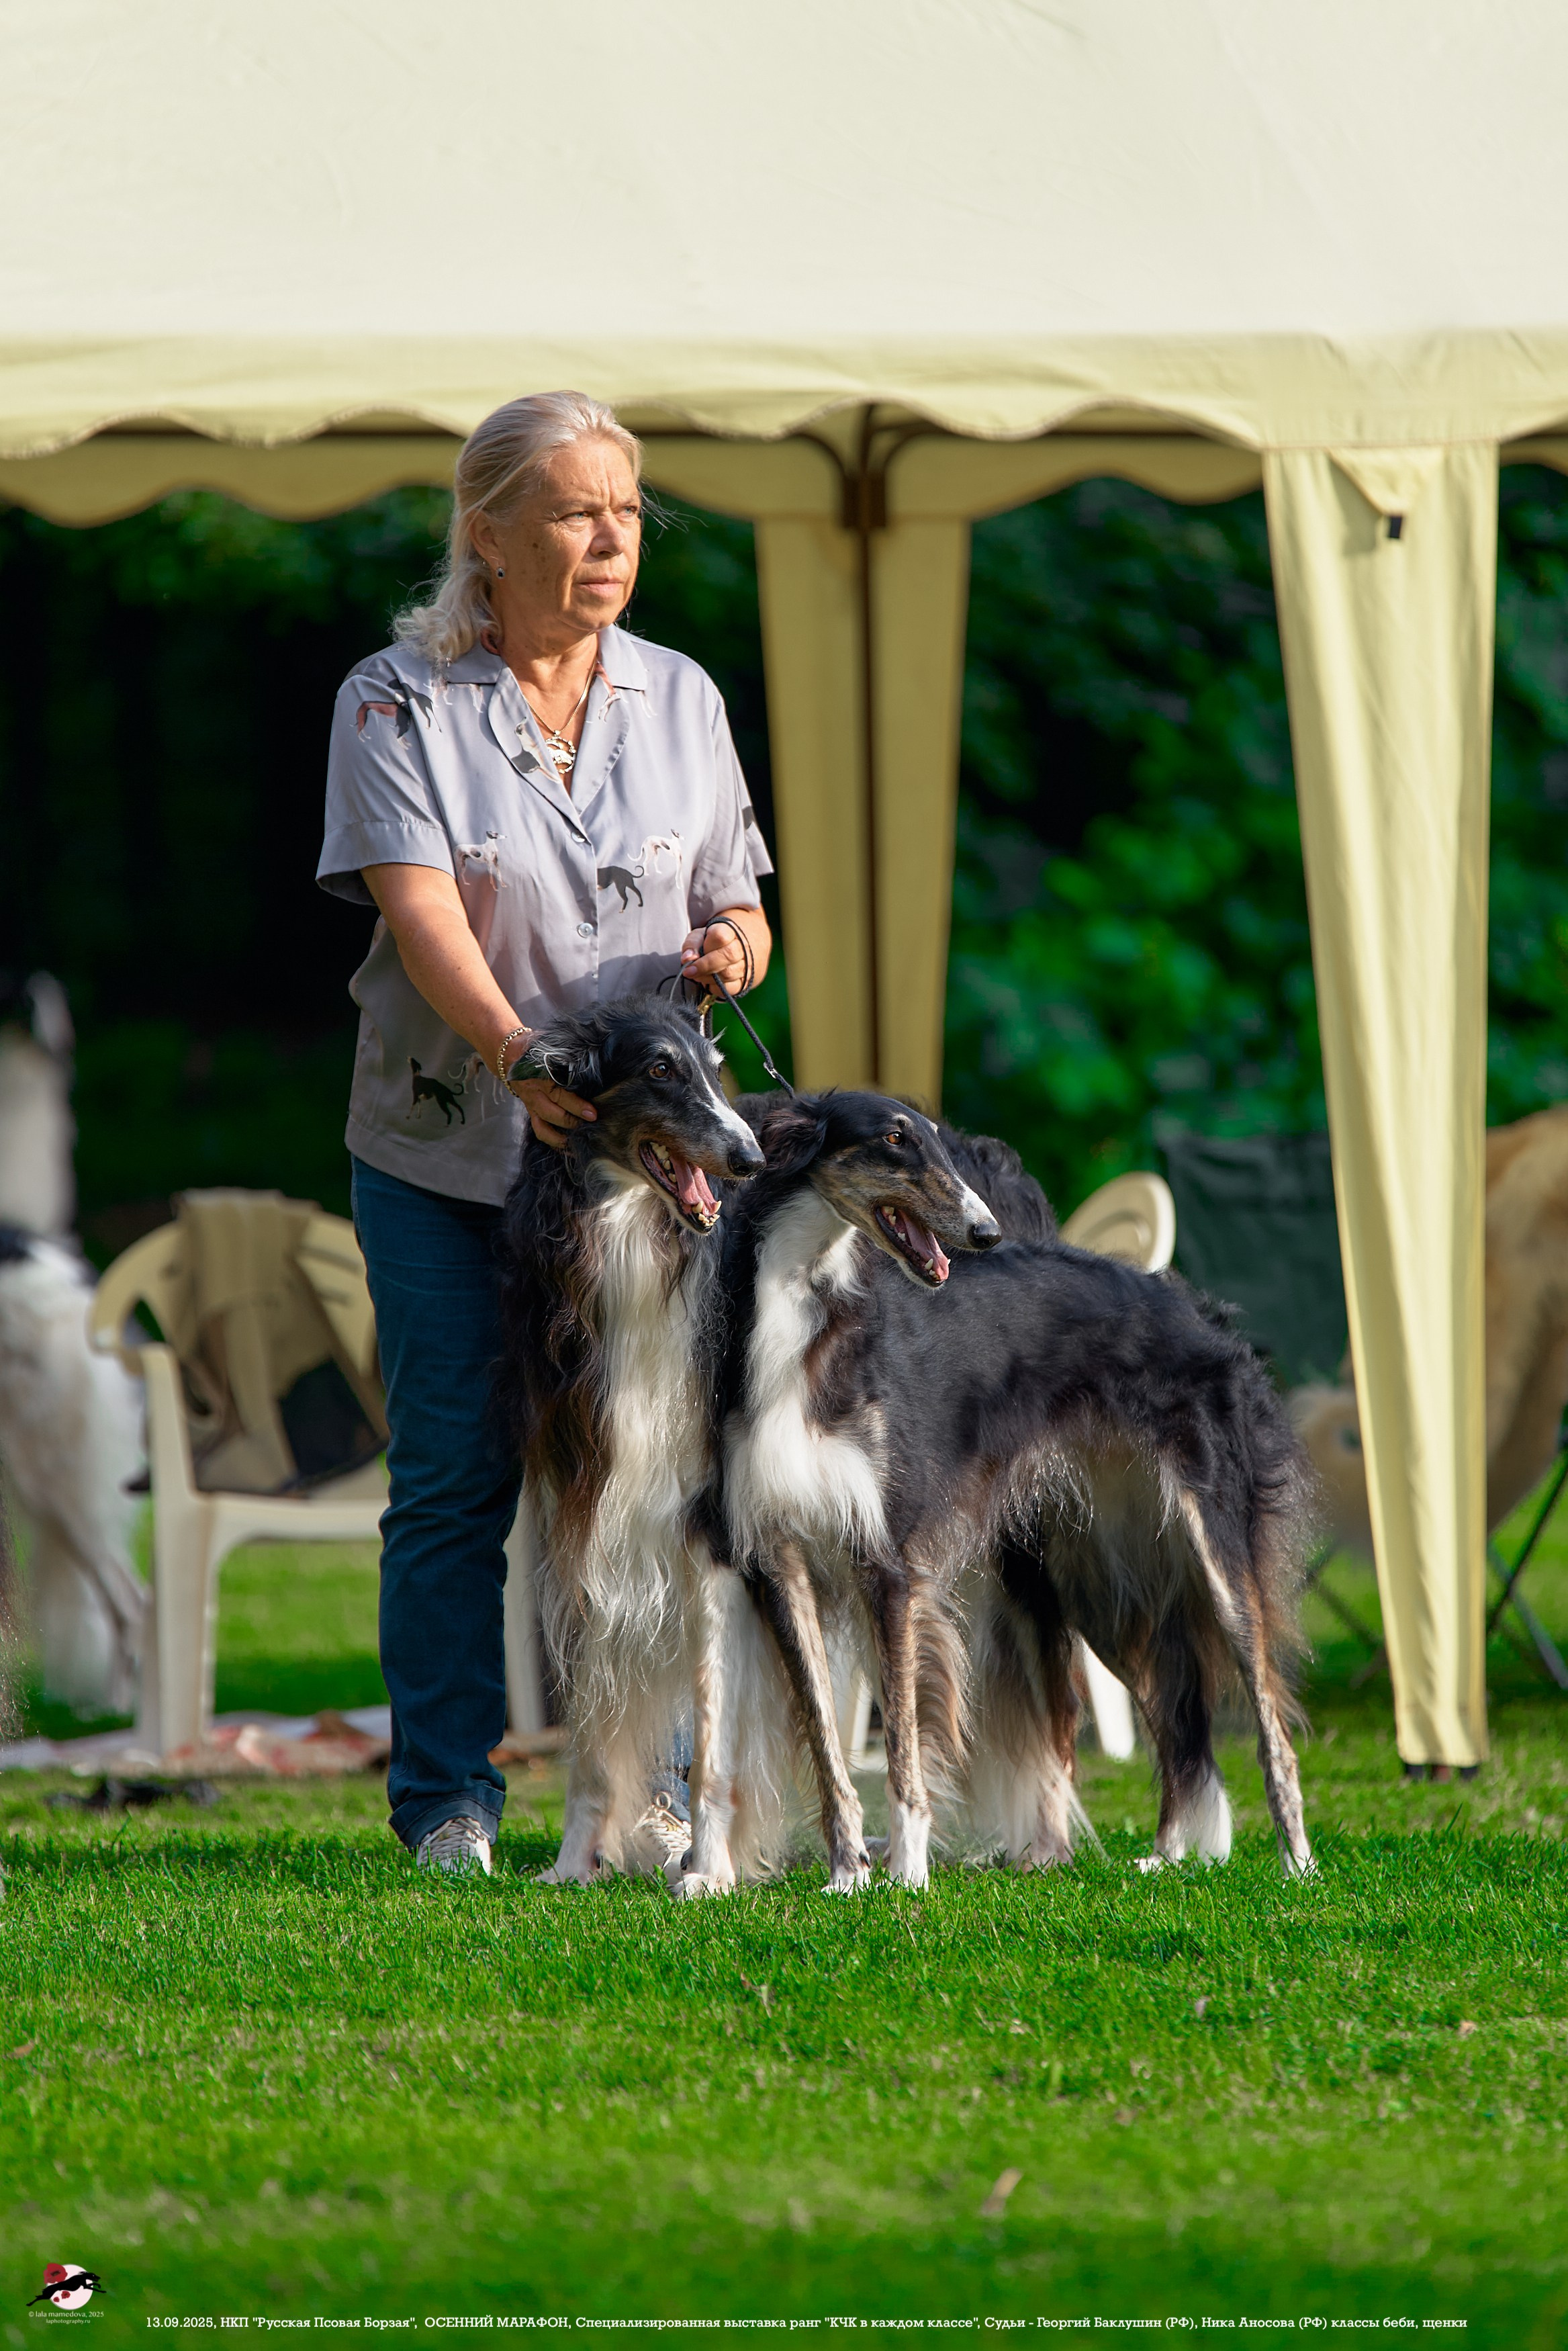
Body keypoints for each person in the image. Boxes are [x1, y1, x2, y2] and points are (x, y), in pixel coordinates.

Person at [316, 392, 773, 1875]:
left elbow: (743, 901)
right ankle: (448, 1800)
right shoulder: (395, 701)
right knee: (458, 1472)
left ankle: (652, 1788)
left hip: (638, 1176)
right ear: (489, 534)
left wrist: (733, 952)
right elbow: (423, 908)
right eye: (576, 511)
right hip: (449, 1153)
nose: (610, 538)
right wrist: (513, 1050)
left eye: (627, 512)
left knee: (649, 1473)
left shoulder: (684, 696)